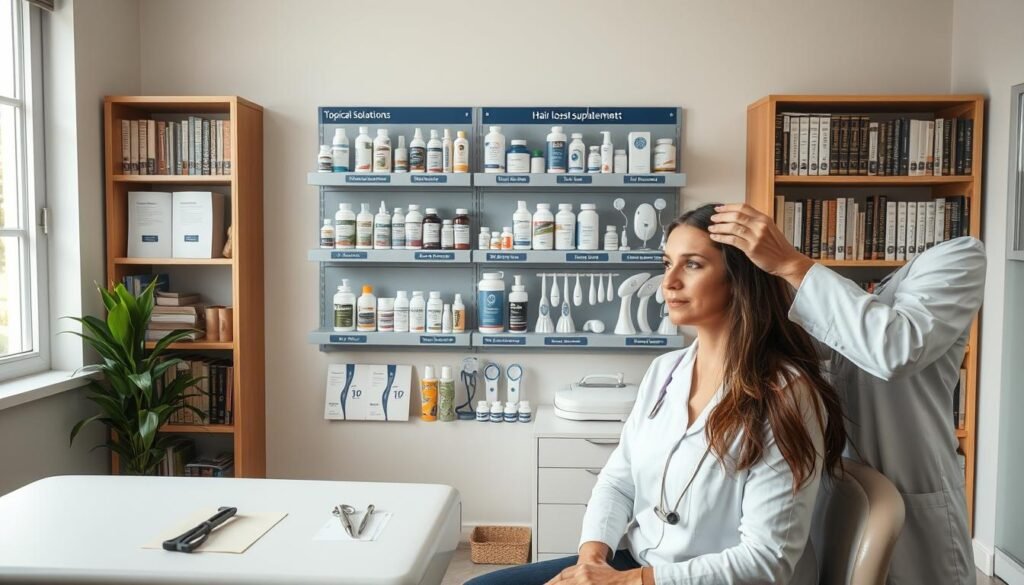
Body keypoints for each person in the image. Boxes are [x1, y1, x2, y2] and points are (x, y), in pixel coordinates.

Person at [467, 204, 847, 585]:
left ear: (739, 279)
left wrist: (626, 581)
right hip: (637, 564)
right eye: (667, 264)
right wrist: (592, 562)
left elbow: (766, 563)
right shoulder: (665, 371)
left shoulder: (787, 395)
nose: (669, 282)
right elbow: (618, 480)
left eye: (693, 265)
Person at [708, 203, 986, 585]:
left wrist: (790, 262)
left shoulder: (960, 257)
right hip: (833, 502)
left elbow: (895, 349)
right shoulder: (848, 299)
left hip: (915, 510)